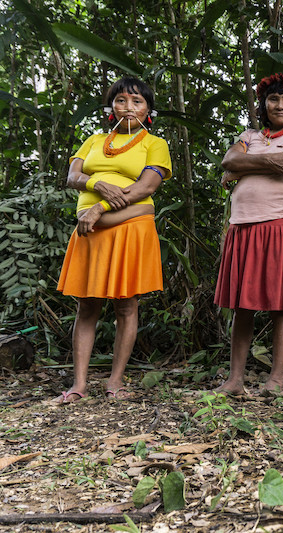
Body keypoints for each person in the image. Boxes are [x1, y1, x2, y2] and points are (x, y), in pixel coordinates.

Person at [55, 76, 172, 403]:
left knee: (126, 305)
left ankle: (115, 382)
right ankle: (78, 384)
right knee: (87, 305)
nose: (129, 107)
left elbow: (146, 188)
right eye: (121, 100)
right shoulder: (93, 140)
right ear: (111, 107)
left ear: (148, 109)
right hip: (89, 233)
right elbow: (73, 177)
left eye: (137, 102)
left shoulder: (155, 143)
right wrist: (98, 185)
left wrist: (99, 208)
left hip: (128, 229)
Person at [214, 73, 283, 396]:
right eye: (274, 99)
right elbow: (228, 160)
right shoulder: (250, 134)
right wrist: (264, 161)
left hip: (281, 224)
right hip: (243, 225)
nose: (280, 105)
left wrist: (242, 168)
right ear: (264, 104)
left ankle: (275, 381)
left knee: (282, 305)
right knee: (242, 305)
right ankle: (235, 381)